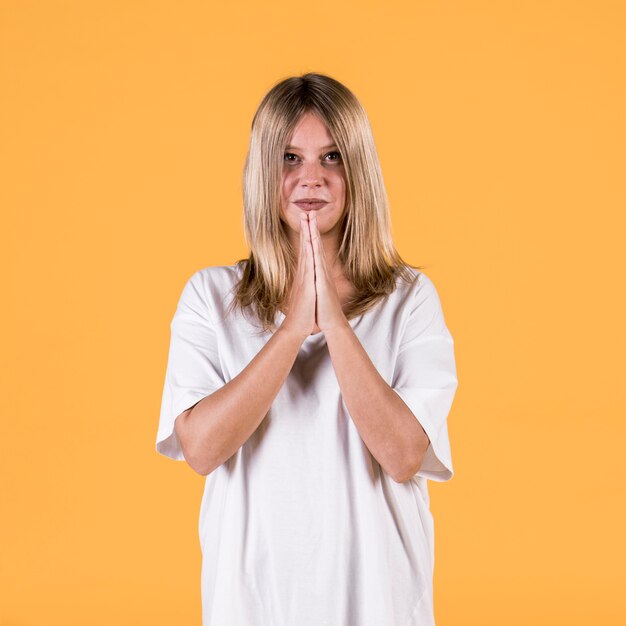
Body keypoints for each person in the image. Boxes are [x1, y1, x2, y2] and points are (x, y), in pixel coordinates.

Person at [155, 72, 458, 626]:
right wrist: (293, 328)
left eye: (333, 156)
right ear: (262, 174)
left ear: (358, 169)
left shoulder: (410, 299)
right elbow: (200, 449)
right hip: (251, 606)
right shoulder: (209, 296)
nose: (311, 178)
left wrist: (334, 325)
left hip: (379, 607)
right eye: (289, 158)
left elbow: (403, 455)